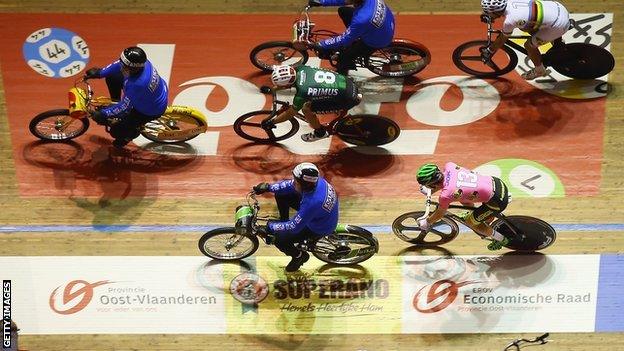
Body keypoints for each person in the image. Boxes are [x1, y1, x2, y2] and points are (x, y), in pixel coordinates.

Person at [252, 162, 339, 272]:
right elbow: (290, 185)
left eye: (296, 180)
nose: (294, 182)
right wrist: (269, 187)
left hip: (319, 226)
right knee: (281, 194)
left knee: (279, 240)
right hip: (322, 214)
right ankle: (284, 222)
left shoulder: (311, 203)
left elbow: (294, 226)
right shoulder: (316, 181)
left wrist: (272, 227)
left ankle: (299, 256)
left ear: (303, 184)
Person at [83, 46, 169, 148]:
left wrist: (104, 114)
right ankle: (115, 102)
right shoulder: (142, 62)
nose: (121, 67)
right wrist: (100, 73)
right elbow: (119, 64)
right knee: (112, 76)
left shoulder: (137, 84)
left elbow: (124, 107)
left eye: (125, 67)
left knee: (116, 131)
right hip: (154, 92)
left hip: (150, 109)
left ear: (134, 68)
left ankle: (129, 136)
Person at [415, 162, 511, 251]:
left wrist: (427, 222)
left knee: (471, 222)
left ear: (432, 184)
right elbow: (451, 183)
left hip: (497, 201)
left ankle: (501, 239)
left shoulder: (445, 196)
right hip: (497, 183)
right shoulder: (449, 166)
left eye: (427, 185)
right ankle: (483, 218)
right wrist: (431, 189)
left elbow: (440, 214)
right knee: (460, 195)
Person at [263, 64, 362, 142]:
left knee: (306, 109)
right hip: (348, 83)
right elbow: (288, 82)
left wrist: (273, 122)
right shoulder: (301, 68)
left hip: (348, 99)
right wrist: (272, 89)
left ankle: (320, 133)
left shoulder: (302, 92)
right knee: (313, 98)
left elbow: (290, 113)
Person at [480, 0, 570, 80]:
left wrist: (490, 50)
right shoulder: (510, 2)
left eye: (488, 12)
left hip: (559, 25)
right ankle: (558, 42)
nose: (486, 13)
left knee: (529, 46)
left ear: (495, 11)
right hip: (559, 8)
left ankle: (540, 70)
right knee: (524, 27)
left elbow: (502, 39)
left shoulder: (510, 21)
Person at [305, 0, 395, 75]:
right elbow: (343, 1)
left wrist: (321, 44)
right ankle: (354, 34)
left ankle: (343, 76)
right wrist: (322, 2)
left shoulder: (361, 19)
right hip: (387, 22)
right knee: (343, 10)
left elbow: (344, 39)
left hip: (378, 39)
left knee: (344, 56)